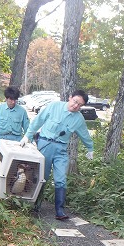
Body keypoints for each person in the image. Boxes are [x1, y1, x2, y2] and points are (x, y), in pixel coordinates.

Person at [19, 90, 94, 220]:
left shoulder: (78, 119)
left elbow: (84, 134)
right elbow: (38, 120)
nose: (76, 106)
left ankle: (60, 210)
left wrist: (90, 148)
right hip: (45, 145)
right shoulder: (54, 106)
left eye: (79, 105)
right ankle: (35, 205)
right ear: (70, 98)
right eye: (75, 101)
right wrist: (27, 136)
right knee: (42, 176)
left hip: (61, 150)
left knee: (61, 178)